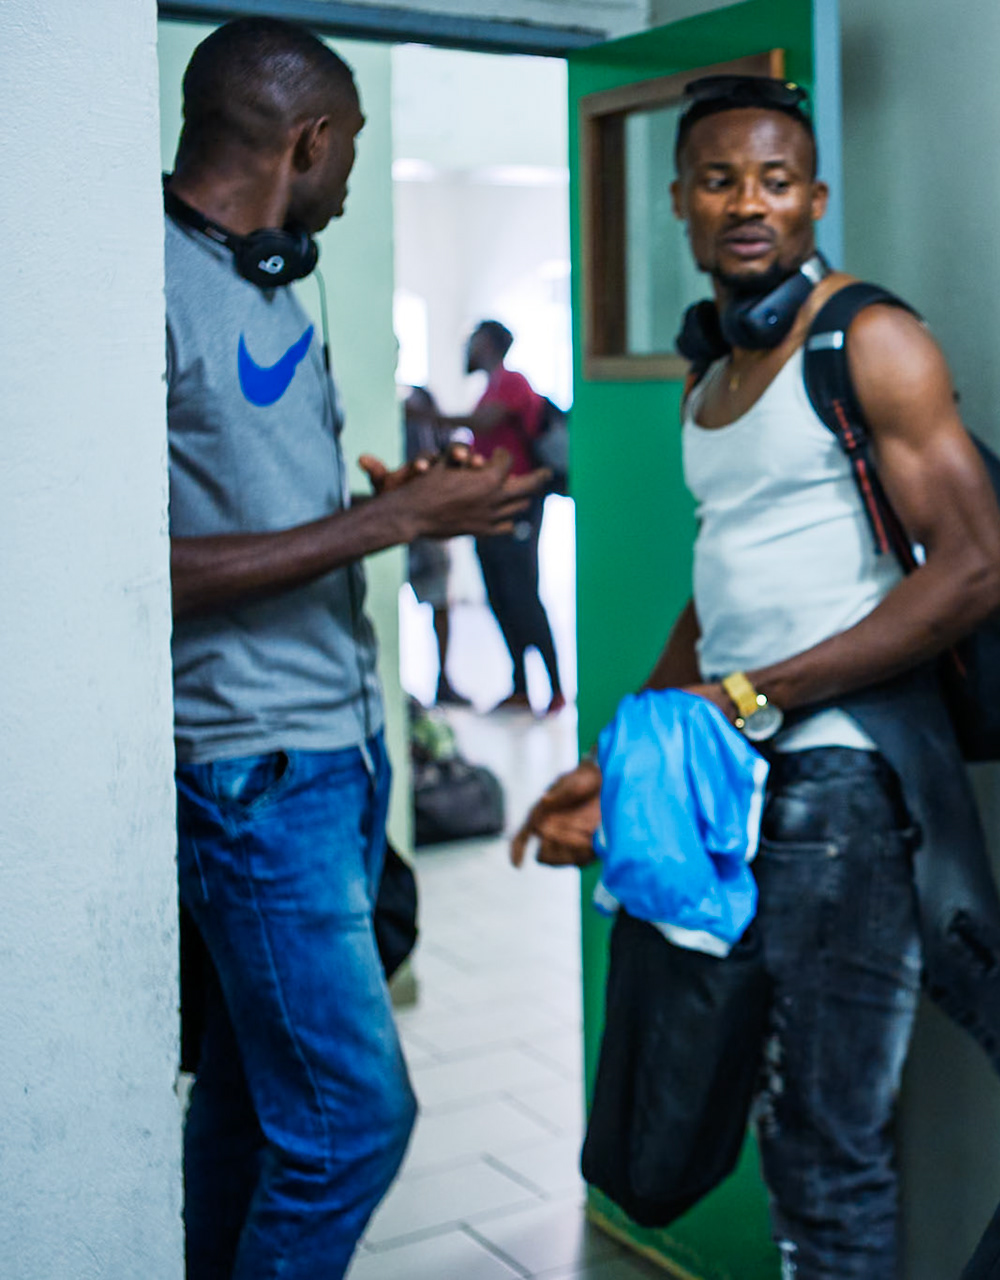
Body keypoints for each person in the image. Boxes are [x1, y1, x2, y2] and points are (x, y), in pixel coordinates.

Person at [512, 74, 1000, 1279]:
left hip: (843, 788)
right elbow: (724, 589)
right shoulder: (709, 380)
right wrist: (617, 760)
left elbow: (975, 571)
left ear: (815, 199)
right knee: (739, 1105)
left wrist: (761, 693)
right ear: (680, 202)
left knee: (828, 1138)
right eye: (719, 179)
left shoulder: (870, 339)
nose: (747, 203)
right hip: (724, 779)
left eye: (774, 180)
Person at [163, 19, 546, 1279]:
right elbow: (125, 578)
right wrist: (393, 521)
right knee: (353, 1126)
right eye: (354, 152)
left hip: (336, 749)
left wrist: (399, 493)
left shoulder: (268, 275)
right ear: (309, 143)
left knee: (245, 1110)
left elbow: (258, 503)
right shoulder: (139, 283)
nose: (351, 177)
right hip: (247, 770)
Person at [436, 319, 565, 715]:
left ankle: (555, 689)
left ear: (489, 343)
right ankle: (521, 686)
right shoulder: (489, 387)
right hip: (488, 506)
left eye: (474, 339)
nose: (469, 347)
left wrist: (426, 418)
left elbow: (486, 422)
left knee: (523, 593)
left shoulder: (512, 382)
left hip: (519, 504)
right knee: (498, 595)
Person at [402, 385, 468, 706]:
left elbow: (445, 449)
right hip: (386, 513)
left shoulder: (421, 399)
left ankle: (444, 680)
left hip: (426, 518)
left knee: (439, 600)